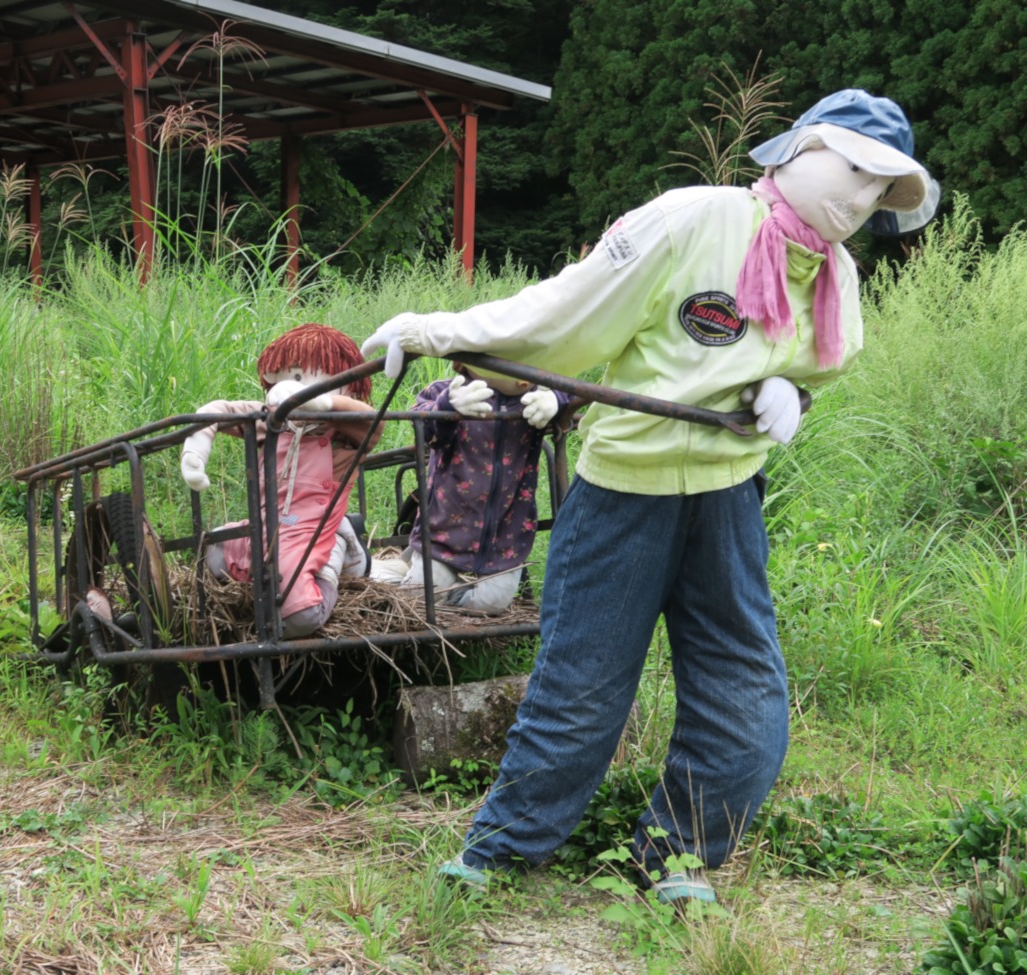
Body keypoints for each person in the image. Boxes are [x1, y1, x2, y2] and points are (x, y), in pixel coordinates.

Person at [361, 90, 938, 905]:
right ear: (801, 151)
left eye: (882, 189)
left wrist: (789, 393)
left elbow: (816, 362)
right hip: (623, 493)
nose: (860, 198)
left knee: (745, 696)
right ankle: (500, 849)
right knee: (583, 684)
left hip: (726, 497)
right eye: (854, 170)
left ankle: (676, 853)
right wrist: (436, 329)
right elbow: (565, 311)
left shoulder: (834, 271)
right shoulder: (690, 219)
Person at [181, 323, 378, 638]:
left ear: (348, 386)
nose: (296, 387)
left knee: (299, 614)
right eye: (292, 377)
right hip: (265, 526)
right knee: (212, 550)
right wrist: (196, 447)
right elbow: (221, 411)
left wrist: (320, 402)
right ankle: (319, 551)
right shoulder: (273, 421)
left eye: (314, 378)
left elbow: (370, 419)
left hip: (307, 531)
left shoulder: (344, 434)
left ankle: (330, 564)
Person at [371, 364, 571, 614]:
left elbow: (579, 389)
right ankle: (392, 573)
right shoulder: (448, 391)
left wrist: (558, 398)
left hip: (505, 537)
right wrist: (448, 407)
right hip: (444, 531)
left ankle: (437, 586)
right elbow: (422, 427)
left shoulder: (533, 399)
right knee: (420, 597)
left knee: (492, 603)